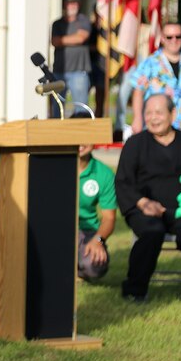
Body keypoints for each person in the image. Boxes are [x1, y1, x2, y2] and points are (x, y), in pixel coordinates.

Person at [115, 93, 181, 305]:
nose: (153, 118)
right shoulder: (135, 144)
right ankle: (135, 291)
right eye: (148, 113)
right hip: (146, 209)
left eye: (159, 113)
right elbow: (123, 182)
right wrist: (142, 203)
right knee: (152, 232)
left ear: (173, 114)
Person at [130, 21, 181, 140]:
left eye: (178, 36)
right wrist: (137, 118)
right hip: (156, 129)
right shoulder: (150, 63)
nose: (174, 40)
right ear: (162, 38)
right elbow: (138, 92)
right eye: (169, 37)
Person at [73, 112, 117, 281]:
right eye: (76, 136)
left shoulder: (104, 173)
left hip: (87, 230)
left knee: (94, 265)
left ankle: (79, 269)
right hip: (57, 226)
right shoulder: (55, 167)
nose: (81, 142)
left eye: (86, 136)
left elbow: (109, 218)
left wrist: (98, 240)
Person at [50, 0, 92, 115]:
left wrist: (63, 40)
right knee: (57, 108)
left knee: (81, 108)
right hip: (59, 71)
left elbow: (81, 37)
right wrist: (73, 39)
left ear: (79, 5)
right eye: (69, 3)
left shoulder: (83, 20)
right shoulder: (57, 24)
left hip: (79, 71)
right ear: (65, 4)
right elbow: (54, 41)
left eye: (75, 3)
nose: (72, 5)